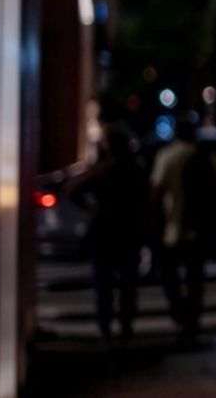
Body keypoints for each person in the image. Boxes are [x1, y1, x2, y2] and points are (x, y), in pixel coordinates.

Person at [65, 123, 148, 344]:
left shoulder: (104, 170)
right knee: (126, 286)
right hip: (126, 233)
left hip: (106, 233)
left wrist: (91, 208)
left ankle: (108, 330)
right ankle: (124, 329)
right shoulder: (135, 171)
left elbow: (71, 189)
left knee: (105, 286)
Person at [150, 116, 216, 339]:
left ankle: (178, 315)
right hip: (198, 227)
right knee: (195, 276)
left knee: (170, 276)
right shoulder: (205, 156)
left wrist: (153, 224)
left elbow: (156, 191)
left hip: (173, 226)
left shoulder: (167, 156)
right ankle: (192, 317)